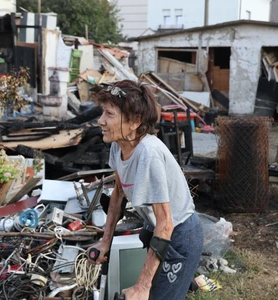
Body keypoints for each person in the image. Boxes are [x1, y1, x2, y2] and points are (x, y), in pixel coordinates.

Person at [87, 80, 203, 300]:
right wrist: (105, 241)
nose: (100, 121)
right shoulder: (118, 145)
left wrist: (141, 285)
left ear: (134, 122)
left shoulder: (148, 154)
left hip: (179, 236)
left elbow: (166, 224)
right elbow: (118, 195)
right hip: (156, 231)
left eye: (110, 114)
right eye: (103, 112)